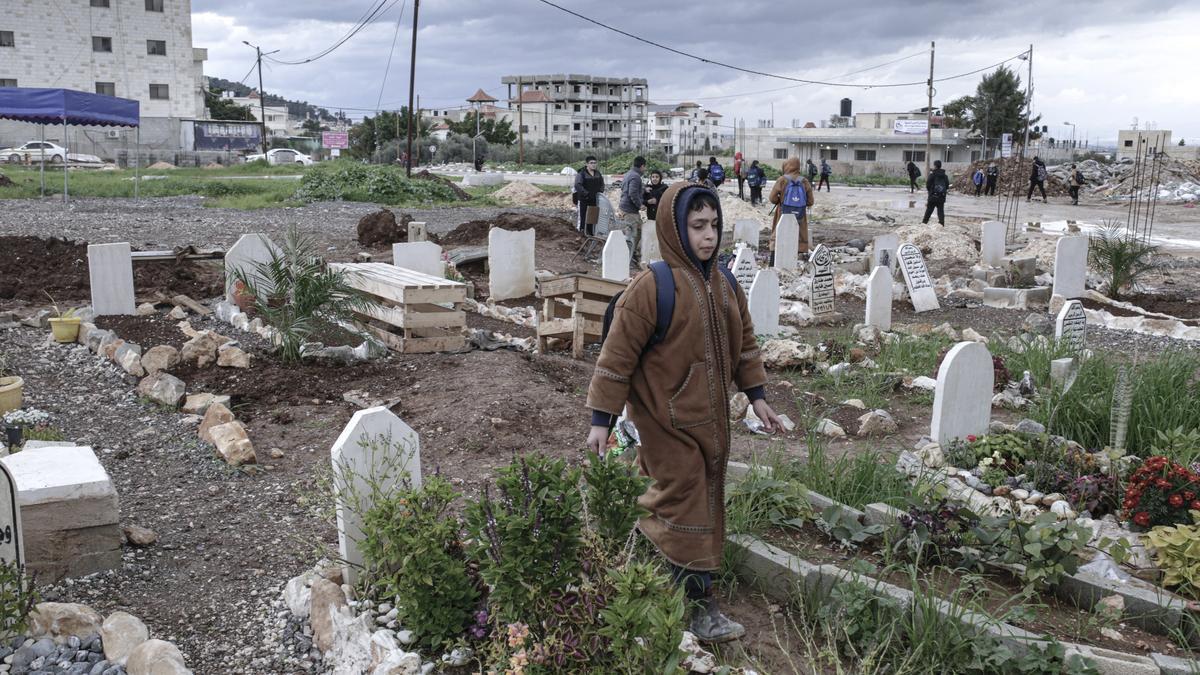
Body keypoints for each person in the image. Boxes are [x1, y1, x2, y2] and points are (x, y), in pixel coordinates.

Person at [585, 183, 783, 644]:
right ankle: (698, 606)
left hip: (711, 422)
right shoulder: (652, 287)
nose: (708, 236)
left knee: (694, 499)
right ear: (675, 229)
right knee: (688, 499)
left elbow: (745, 345)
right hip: (663, 420)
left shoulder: (726, 283)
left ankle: (649, 561)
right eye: (697, 227)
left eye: (714, 225)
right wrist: (602, 421)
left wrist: (757, 396)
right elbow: (615, 360)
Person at [768, 157, 815, 260]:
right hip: (800, 215)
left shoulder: (782, 180)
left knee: (779, 233)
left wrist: (781, 201)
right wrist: (799, 204)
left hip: (783, 213)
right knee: (800, 235)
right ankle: (798, 260)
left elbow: (772, 198)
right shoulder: (804, 181)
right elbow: (811, 201)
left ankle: (774, 259)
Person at [618, 156, 647, 260]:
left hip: (625, 207)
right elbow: (632, 193)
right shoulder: (635, 176)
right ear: (642, 166)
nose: (645, 169)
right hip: (630, 210)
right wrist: (640, 205)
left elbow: (624, 188)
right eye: (645, 167)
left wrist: (643, 189)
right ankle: (627, 257)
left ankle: (631, 253)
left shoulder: (629, 174)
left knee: (637, 231)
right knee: (631, 234)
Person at [572, 156, 605, 236]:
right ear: (587, 164)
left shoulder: (598, 173)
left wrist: (599, 192)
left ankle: (591, 234)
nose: (593, 165)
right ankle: (580, 234)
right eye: (591, 163)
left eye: (595, 163)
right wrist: (586, 194)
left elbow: (602, 184)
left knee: (592, 218)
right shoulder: (582, 174)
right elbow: (578, 185)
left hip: (595, 201)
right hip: (584, 200)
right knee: (582, 218)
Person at [922, 160, 950, 226]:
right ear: (940, 166)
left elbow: (928, 185)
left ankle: (924, 223)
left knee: (929, 210)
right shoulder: (945, 176)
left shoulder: (932, 175)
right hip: (941, 196)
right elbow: (947, 186)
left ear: (935, 166)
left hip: (932, 196)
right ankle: (941, 224)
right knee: (940, 211)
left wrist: (931, 192)